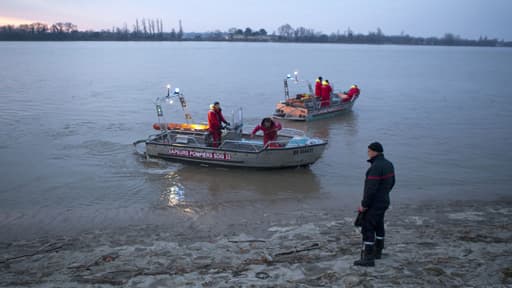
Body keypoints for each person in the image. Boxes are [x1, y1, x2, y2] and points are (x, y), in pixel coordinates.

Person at [354, 142, 395, 267]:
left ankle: (368, 258)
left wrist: (364, 205)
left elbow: (370, 189)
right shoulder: (389, 164)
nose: (368, 153)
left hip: (374, 203)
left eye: (369, 151)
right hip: (384, 201)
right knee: (379, 225)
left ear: (374, 151)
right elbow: (392, 182)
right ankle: (378, 252)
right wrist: (384, 194)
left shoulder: (375, 167)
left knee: (368, 228)